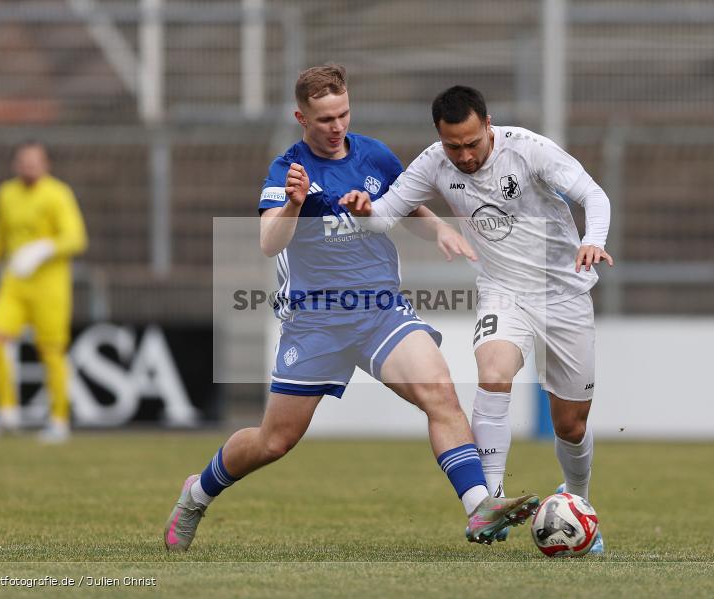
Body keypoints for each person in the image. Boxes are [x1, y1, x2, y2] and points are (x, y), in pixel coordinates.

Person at [164, 66, 539, 552]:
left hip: (380, 310)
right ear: (301, 117)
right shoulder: (288, 169)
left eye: (342, 114)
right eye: (324, 119)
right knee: (274, 441)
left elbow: (407, 206)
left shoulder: (374, 154)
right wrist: (294, 205)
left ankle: (478, 506)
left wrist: (441, 230)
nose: (336, 126)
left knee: (440, 393)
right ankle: (196, 495)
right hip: (315, 321)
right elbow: (268, 242)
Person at [340, 85, 614, 554]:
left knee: (571, 425)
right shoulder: (433, 162)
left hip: (564, 295)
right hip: (502, 292)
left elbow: (593, 193)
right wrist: (364, 211)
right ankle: (491, 501)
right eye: (454, 146)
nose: (464, 155)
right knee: (493, 373)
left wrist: (593, 239)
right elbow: (385, 215)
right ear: (439, 136)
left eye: (472, 143)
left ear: (488, 125)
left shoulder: (528, 151)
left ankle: (578, 500)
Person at [0, 140, 88, 444]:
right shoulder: (6, 193)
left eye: (34, 162)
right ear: (15, 164)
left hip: (50, 287)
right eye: (23, 161)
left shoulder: (58, 194)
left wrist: (43, 249)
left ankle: (59, 421)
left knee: (52, 353)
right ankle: (7, 413)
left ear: (46, 164)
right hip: (14, 284)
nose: (28, 167)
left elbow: (76, 238)